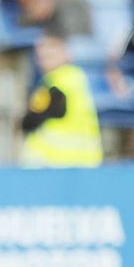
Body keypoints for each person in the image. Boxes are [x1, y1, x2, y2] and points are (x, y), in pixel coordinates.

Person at [20, 32, 102, 167]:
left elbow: (31, 120)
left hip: (56, 161)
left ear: (65, 54)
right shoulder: (78, 77)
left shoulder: (56, 84)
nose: (44, 61)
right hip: (85, 160)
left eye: (50, 56)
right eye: (41, 57)